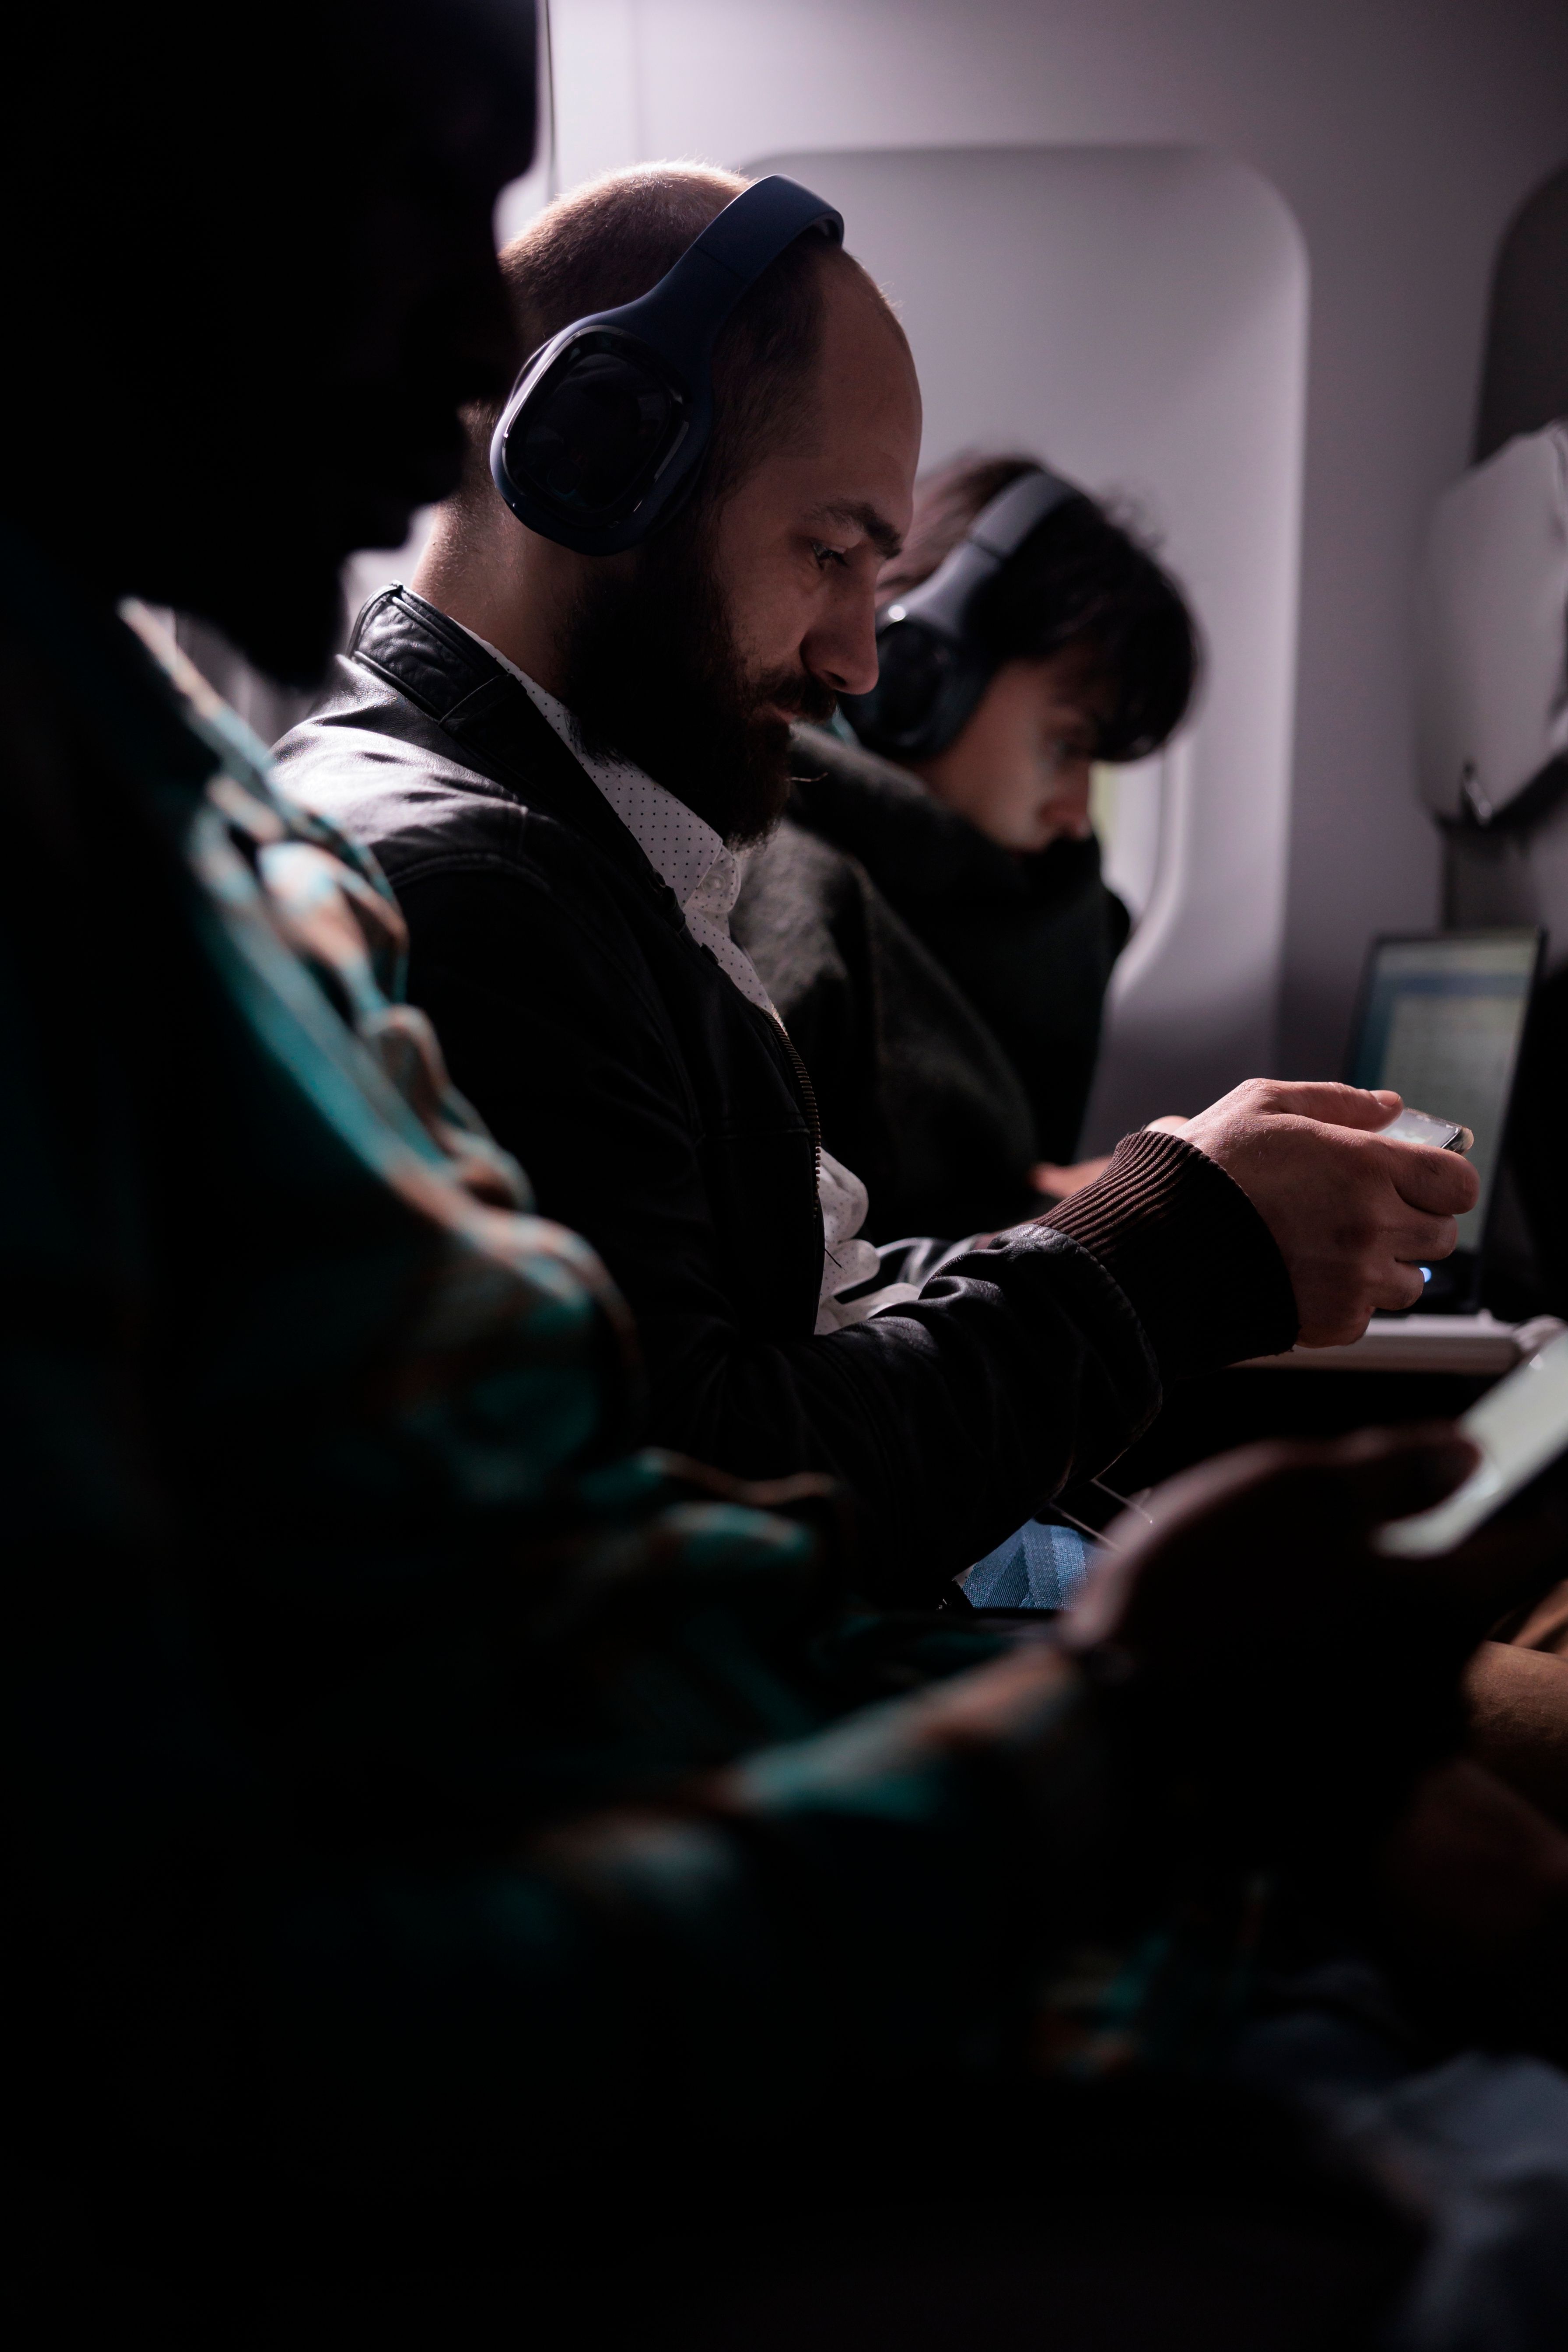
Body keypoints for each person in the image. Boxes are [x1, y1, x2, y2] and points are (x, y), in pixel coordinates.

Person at [7, 16, 1568, 2342]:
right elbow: (186, 2030)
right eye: (399, 177)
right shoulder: (322, 874)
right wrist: (1135, 1721)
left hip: (836, 1764)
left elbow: (613, 1517)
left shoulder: (214, 816)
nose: (469, 351)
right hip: (783, 1948)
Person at [276, 162, 1478, 1604]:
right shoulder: (477, 890)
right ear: (601, 458)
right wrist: (1164, 1255)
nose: (858, 658)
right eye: (828, 549)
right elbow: (705, 1503)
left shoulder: (586, 837)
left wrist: (1150, 1220)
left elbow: (772, 1312)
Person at [732, 452, 1196, 1238]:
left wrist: (1046, 1205)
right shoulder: (784, 888)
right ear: (925, 676)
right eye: (1067, 746)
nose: (1078, 815)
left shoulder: (1043, 918)